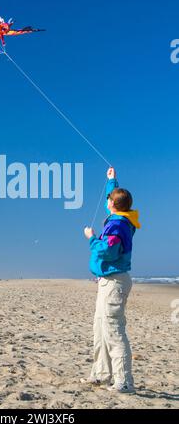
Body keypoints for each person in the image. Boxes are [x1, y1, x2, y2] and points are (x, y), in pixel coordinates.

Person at [82, 167, 141, 393]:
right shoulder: (121, 215)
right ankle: (101, 374)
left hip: (115, 281)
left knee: (114, 331)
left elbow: (109, 250)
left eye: (110, 199)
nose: (107, 201)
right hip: (107, 281)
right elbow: (115, 196)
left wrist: (91, 238)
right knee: (100, 328)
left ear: (113, 205)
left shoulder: (118, 224)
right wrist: (111, 180)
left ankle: (125, 382)